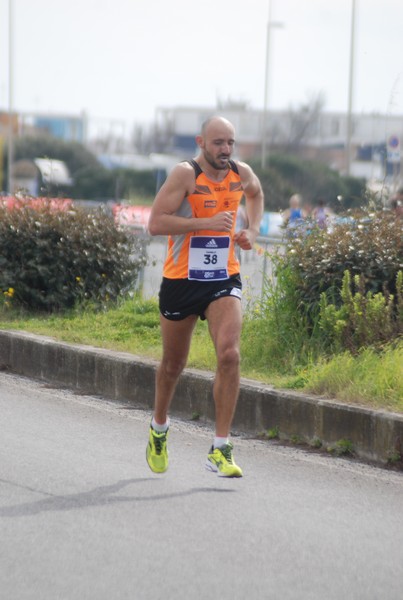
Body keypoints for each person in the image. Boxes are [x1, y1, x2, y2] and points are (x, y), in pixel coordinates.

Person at [145, 116, 264, 478]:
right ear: (201, 142)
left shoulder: (240, 173)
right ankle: (159, 428)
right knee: (172, 366)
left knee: (230, 354)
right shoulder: (185, 175)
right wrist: (203, 224)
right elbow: (155, 222)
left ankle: (220, 446)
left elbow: (256, 194)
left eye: (230, 142)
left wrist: (252, 231)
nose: (225, 150)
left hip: (222, 277)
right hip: (181, 279)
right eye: (218, 143)